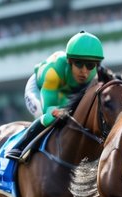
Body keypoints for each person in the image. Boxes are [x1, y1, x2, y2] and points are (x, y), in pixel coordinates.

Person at [6, 31, 104, 161]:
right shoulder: (53, 73)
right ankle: (19, 148)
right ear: (69, 61)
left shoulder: (96, 76)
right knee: (50, 117)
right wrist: (53, 112)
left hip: (66, 92)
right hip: (40, 88)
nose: (84, 71)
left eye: (90, 65)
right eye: (79, 64)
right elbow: (49, 107)